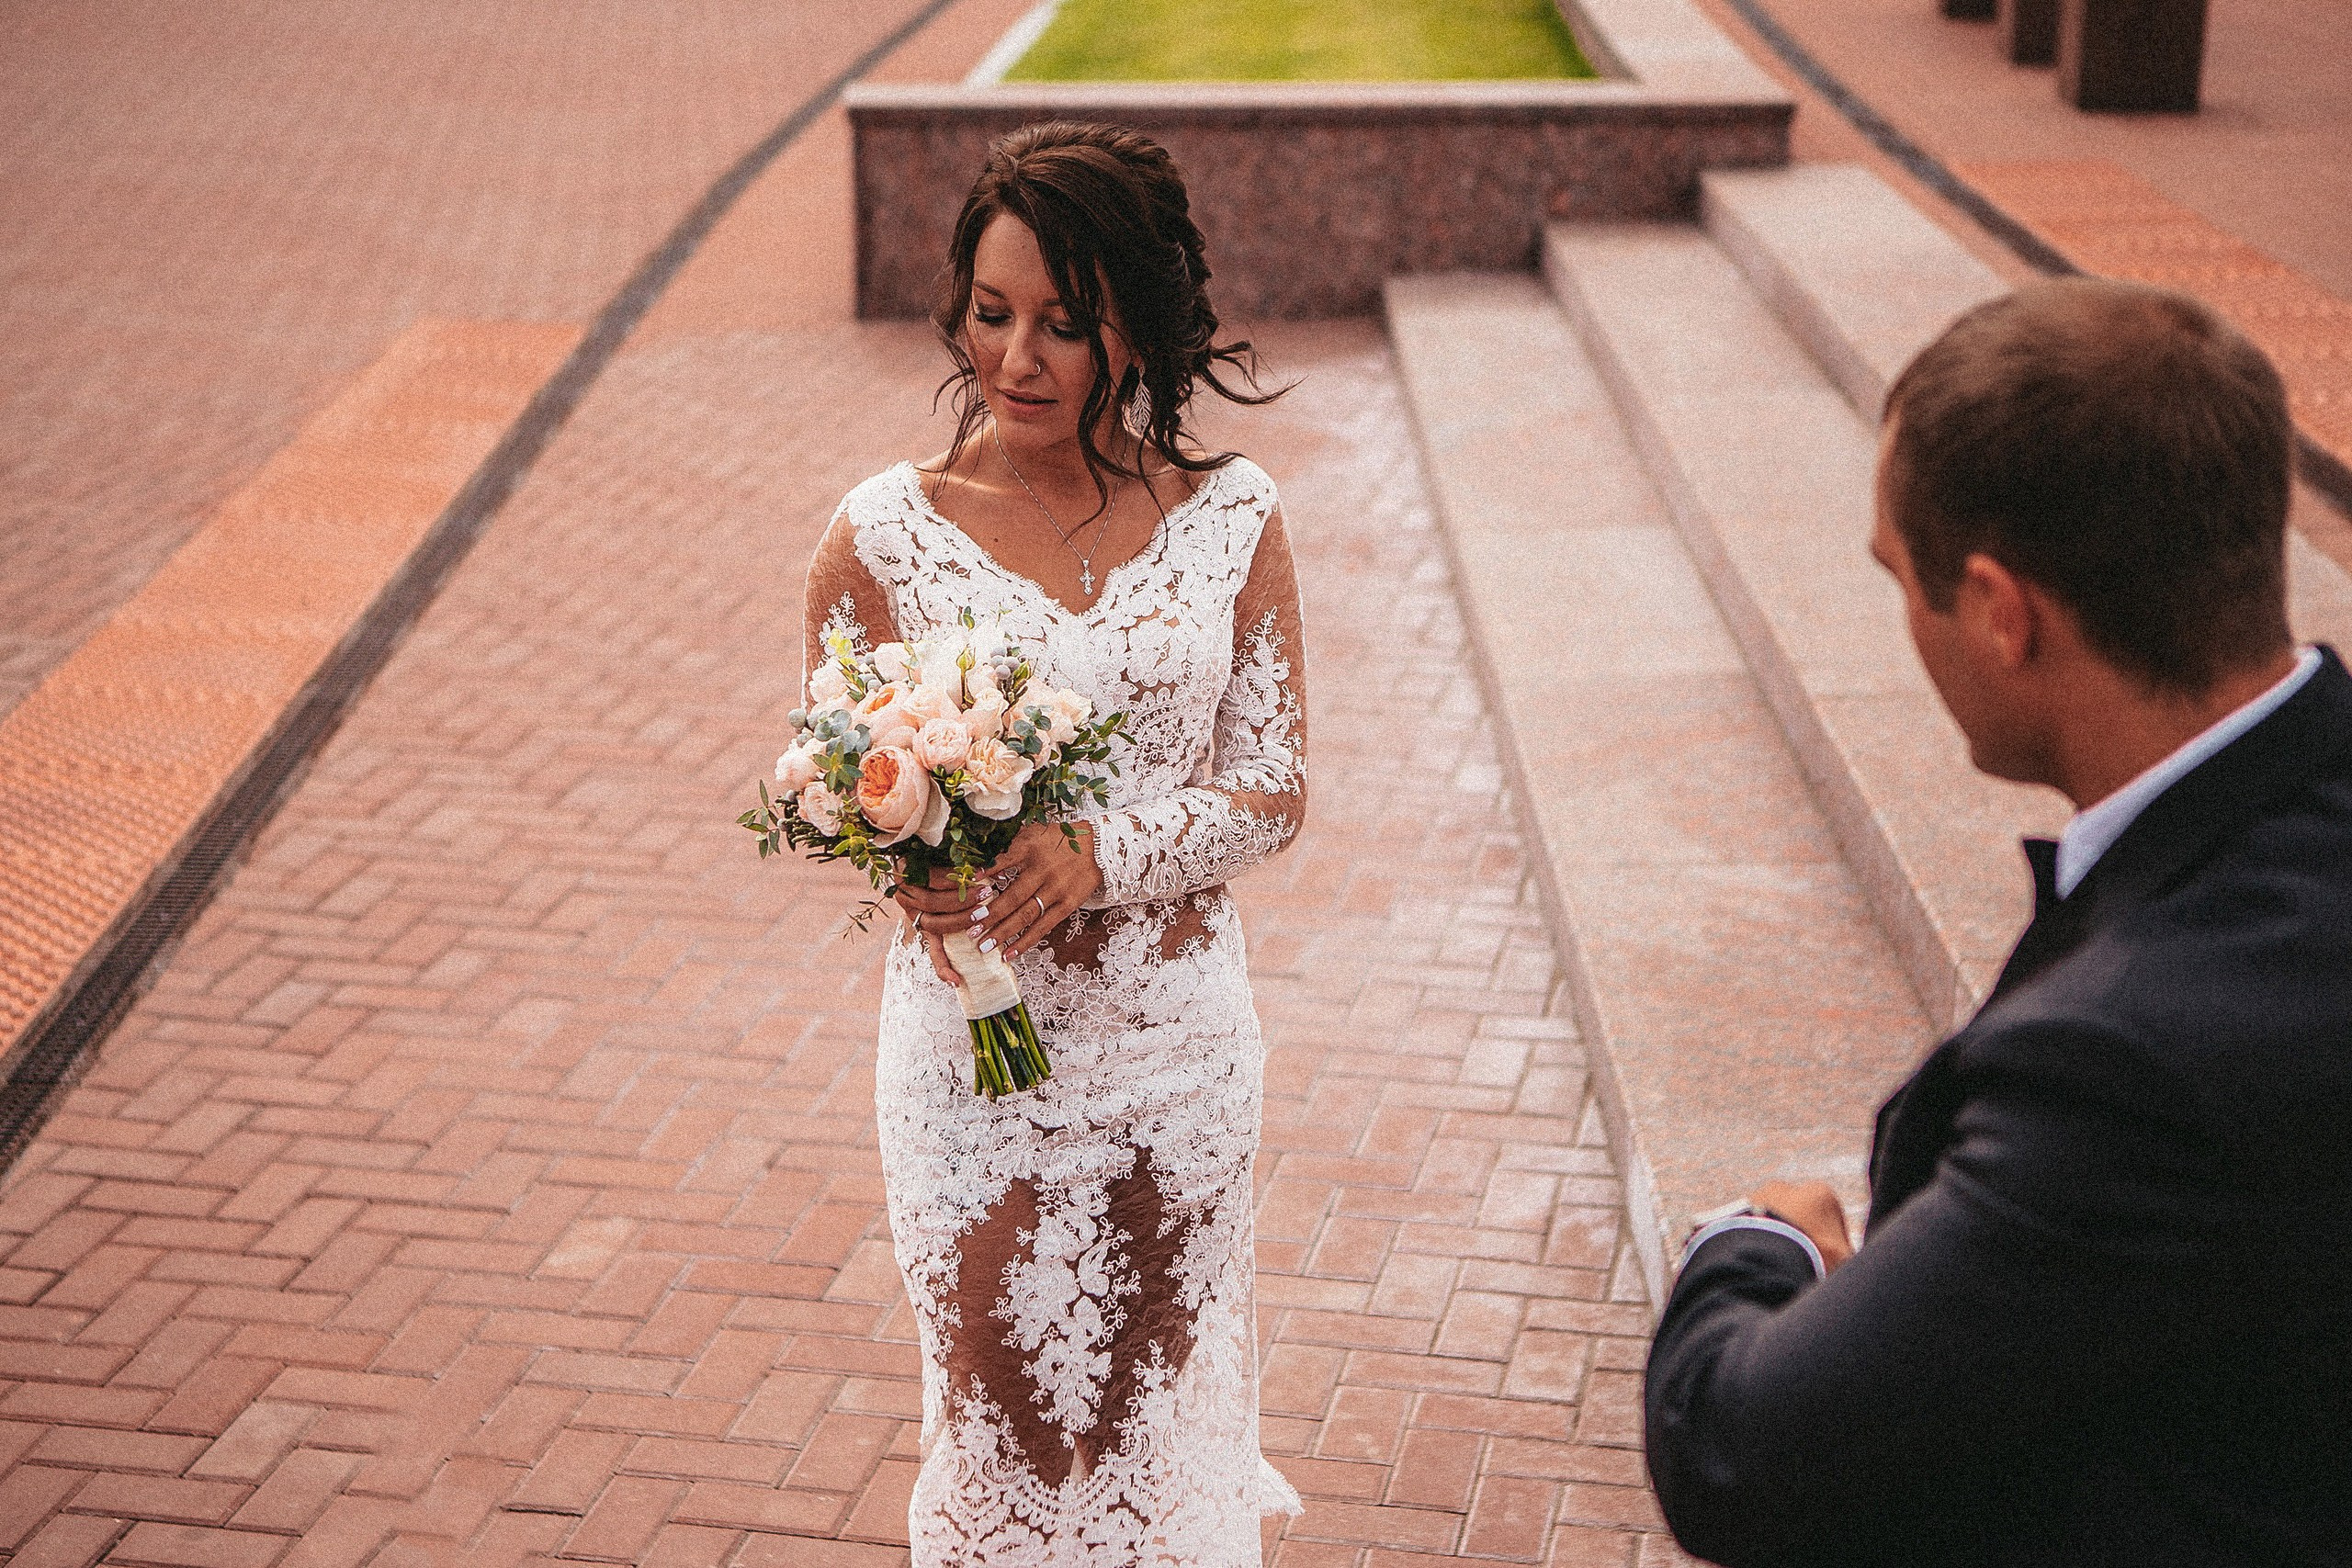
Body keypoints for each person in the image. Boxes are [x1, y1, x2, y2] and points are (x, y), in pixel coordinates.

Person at [1644, 276, 2352, 1565]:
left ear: (1997, 612)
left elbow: (1734, 1447)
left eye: (1898, 578)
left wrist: (1755, 1244)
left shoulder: (2129, 1068)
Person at [800, 122, 1306, 1565]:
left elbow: (1273, 788)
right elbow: (852, 788)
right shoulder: (881, 540)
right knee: (1009, 1436)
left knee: (1150, 1428)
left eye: (1064, 325)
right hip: (978, 1059)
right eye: (992, 312)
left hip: (1178, 1047)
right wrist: (917, 860)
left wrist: (1108, 851)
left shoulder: (1232, 520)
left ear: (1133, 332)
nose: (1018, 357)